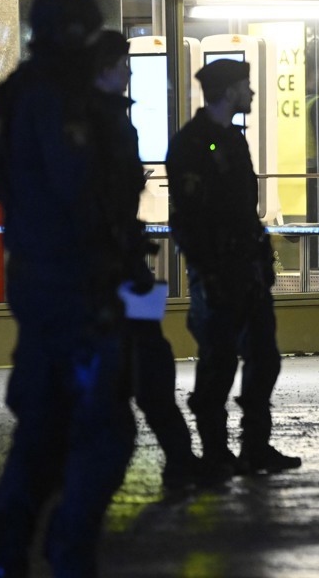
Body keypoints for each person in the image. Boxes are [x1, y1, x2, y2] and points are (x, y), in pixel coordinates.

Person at [0, 0, 137, 577]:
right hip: (76, 281)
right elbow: (83, 190)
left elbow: (3, 176)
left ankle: (9, 551)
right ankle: (64, 551)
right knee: (101, 430)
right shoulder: (58, 98)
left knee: (47, 424)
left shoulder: (16, 94)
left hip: (44, 275)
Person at [87, 31, 224, 493]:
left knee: (153, 363)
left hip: (126, 268)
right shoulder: (93, 125)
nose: (128, 71)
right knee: (132, 368)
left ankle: (181, 459)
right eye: (122, 63)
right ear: (104, 67)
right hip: (106, 272)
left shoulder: (107, 121)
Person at [166, 59, 301, 475]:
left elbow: (246, 210)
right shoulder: (191, 143)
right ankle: (215, 451)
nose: (253, 92)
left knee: (264, 357)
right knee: (219, 360)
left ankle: (255, 446)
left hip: (247, 269)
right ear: (229, 92)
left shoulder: (234, 141)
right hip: (216, 272)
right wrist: (206, 270)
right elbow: (186, 217)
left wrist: (262, 260)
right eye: (246, 85)